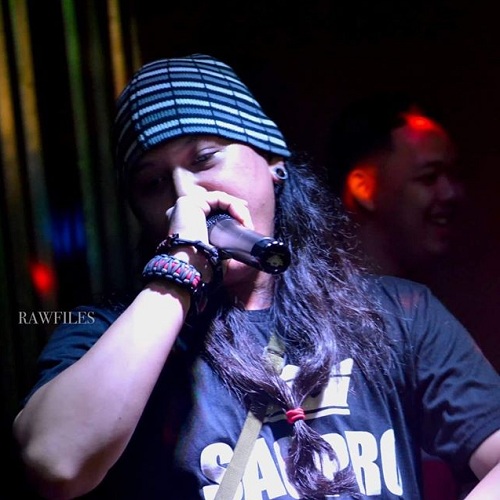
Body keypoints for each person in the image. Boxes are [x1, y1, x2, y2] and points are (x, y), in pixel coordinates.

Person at [12, 54, 500, 500]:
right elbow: (57, 462)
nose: (185, 195)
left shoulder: (397, 313)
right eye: (153, 182)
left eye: (204, 158)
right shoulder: (107, 332)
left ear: (272, 161)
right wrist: (178, 272)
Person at [328, 92, 465, 280]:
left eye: (454, 175)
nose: (450, 193)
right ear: (363, 187)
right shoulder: (312, 293)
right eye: (429, 177)